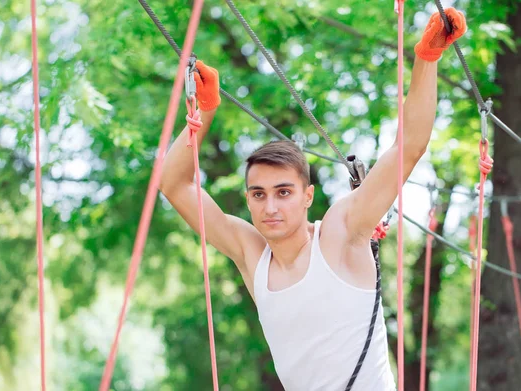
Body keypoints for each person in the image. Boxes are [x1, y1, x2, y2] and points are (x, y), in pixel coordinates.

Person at [159, 8, 467, 391]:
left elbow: (409, 148)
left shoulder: (341, 233)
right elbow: (174, 186)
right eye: (259, 194)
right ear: (248, 200)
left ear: (308, 197)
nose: (270, 207)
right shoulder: (252, 255)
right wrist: (203, 112)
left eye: (283, 192)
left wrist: (427, 58)